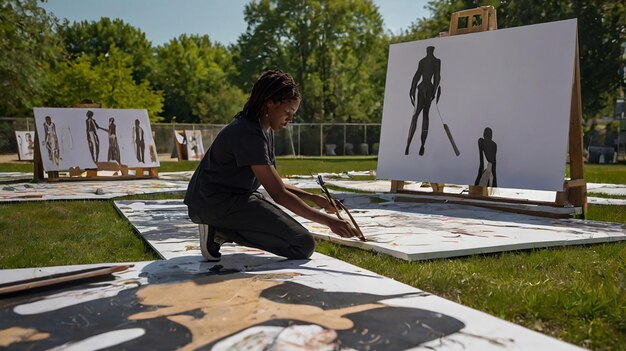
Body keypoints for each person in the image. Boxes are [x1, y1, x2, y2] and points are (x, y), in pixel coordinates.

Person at [184, 70, 360, 262]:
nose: (290, 120)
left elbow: (276, 184)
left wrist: (314, 198)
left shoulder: (263, 130)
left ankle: (221, 228)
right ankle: (219, 229)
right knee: (302, 244)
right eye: (287, 112)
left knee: (299, 241)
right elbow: (278, 195)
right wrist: (329, 222)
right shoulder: (248, 132)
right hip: (213, 204)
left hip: (231, 199)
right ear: (270, 102)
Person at [405, 46, 441, 156]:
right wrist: (434, 90)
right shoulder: (434, 61)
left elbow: (435, 77)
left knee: (418, 115)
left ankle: (417, 145)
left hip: (423, 88)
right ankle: (413, 145)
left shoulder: (429, 61)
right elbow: (435, 77)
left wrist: (413, 89)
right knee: (421, 115)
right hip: (427, 89)